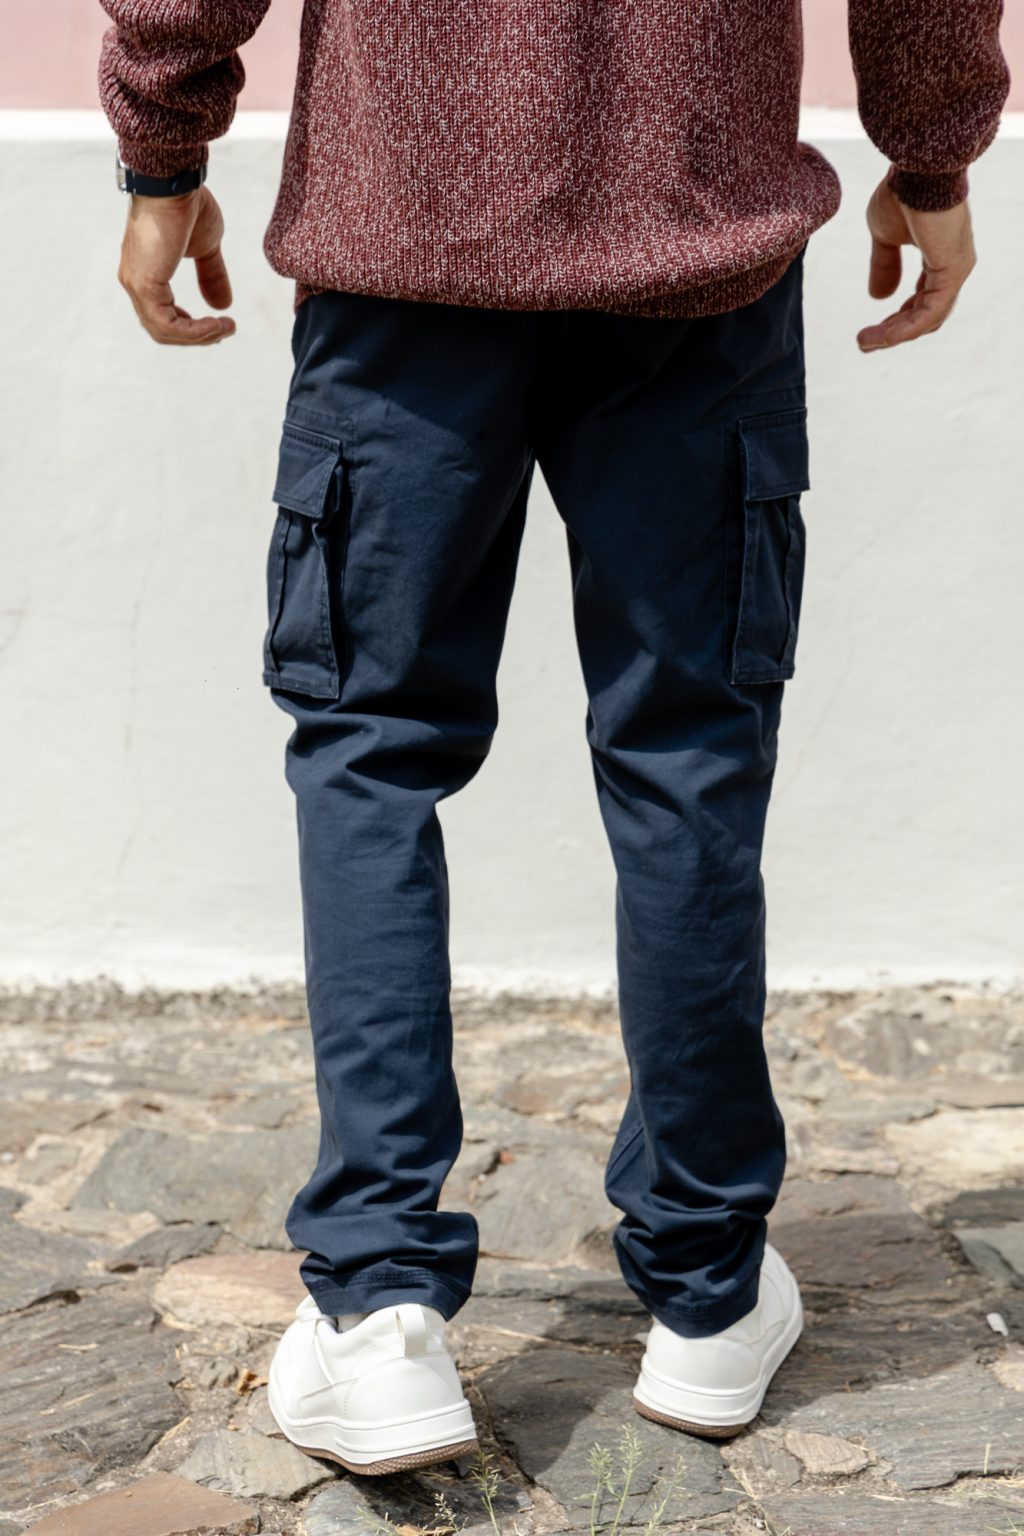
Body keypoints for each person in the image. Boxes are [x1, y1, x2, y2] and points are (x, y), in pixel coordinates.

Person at [98, 0, 1009, 1473]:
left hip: (407, 253)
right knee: (688, 752)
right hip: (693, 247)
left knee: (372, 750)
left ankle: (379, 1309)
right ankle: (709, 1288)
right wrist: (931, 152)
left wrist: (162, 151)